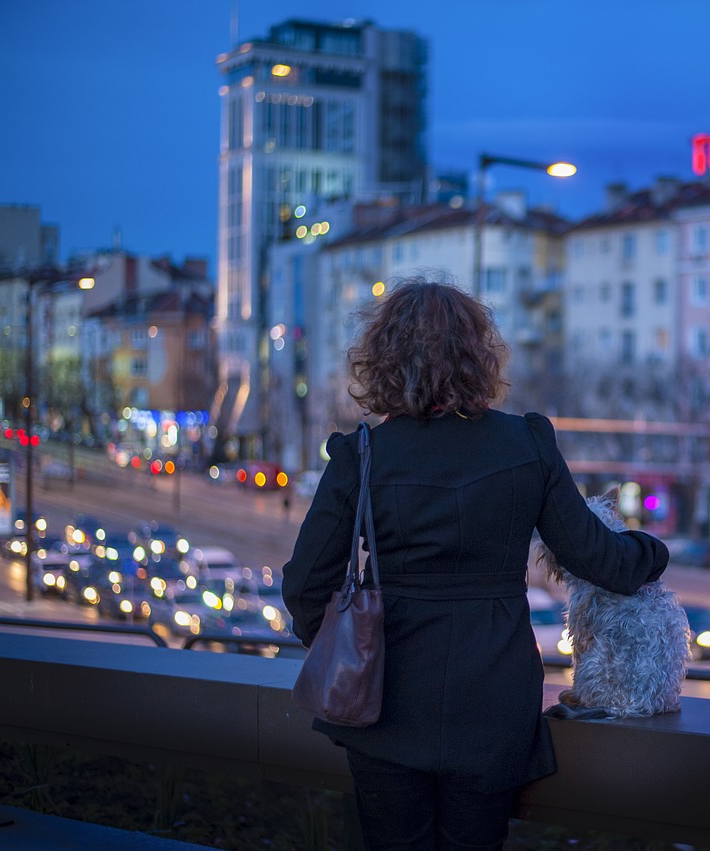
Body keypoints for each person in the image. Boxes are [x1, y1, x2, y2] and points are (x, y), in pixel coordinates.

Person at [281, 277, 668, 851]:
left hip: (383, 705)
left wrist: (350, 651)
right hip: (493, 705)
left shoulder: (361, 456)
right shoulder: (527, 444)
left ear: (383, 359)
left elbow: (305, 586)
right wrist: (652, 552)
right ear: (477, 355)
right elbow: (595, 557)